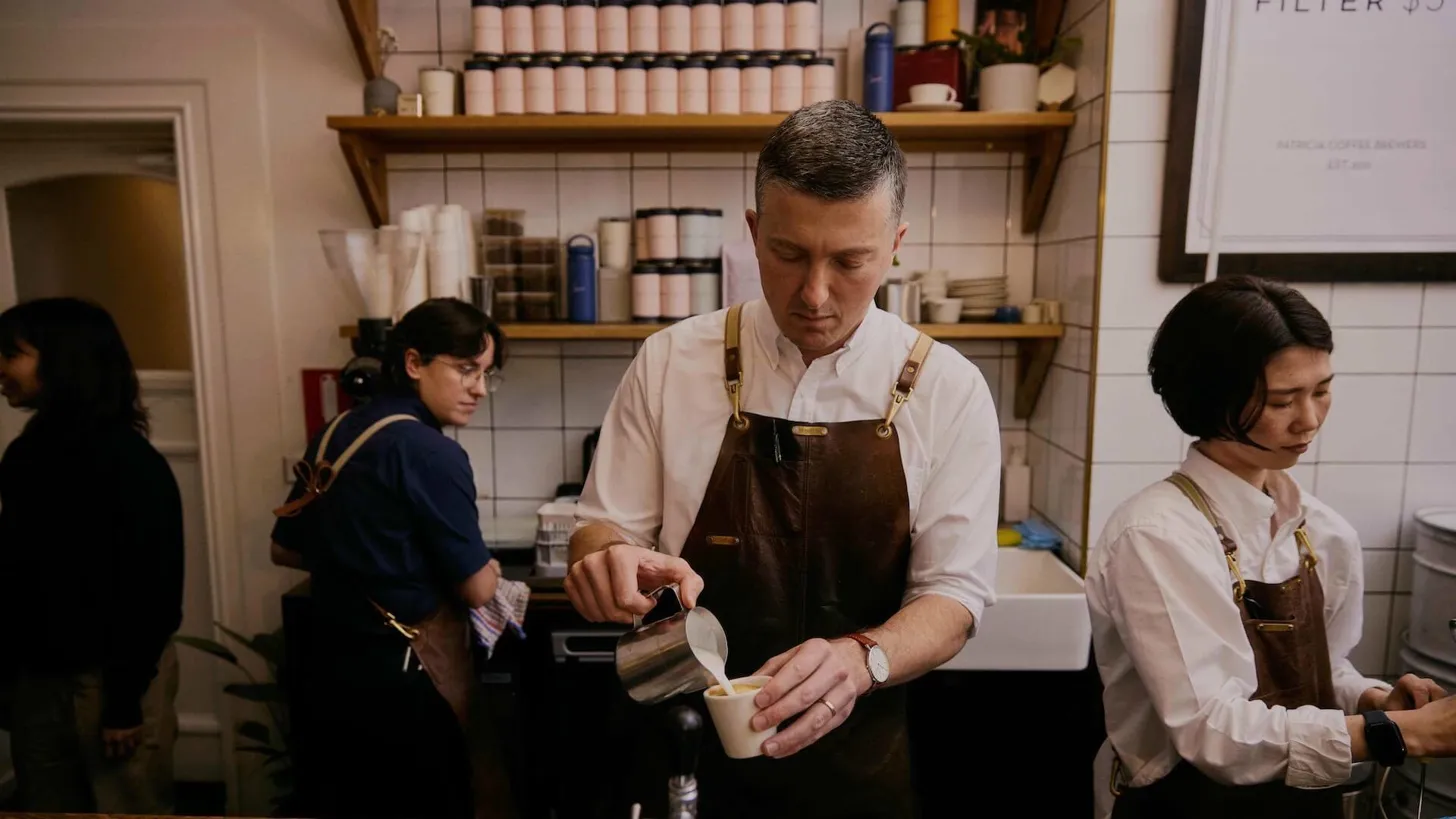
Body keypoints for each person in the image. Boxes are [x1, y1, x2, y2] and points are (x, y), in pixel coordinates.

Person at [566, 100, 1002, 818]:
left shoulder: (947, 388)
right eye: (789, 253)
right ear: (753, 231)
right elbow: (601, 528)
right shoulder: (672, 360)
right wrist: (603, 562)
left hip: (862, 764)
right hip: (687, 754)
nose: (815, 294)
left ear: (895, 244)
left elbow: (953, 600)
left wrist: (862, 658)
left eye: (851, 260)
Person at [1086, 275, 1456, 819]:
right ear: (1211, 399)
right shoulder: (1156, 537)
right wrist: (1394, 734)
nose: (1309, 420)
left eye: (1322, 390)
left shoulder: (1321, 531)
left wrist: (1370, 701)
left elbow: (1326, 669)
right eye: (1283, 400)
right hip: (1183, 804)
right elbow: (1213, 732)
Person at [270, 297, 516, 819]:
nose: (478, 388)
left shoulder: (338, 431)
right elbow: (476, 589)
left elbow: (285, 546)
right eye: (466, 369)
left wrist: (366, 555)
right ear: (412, 363)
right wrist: (490, 570)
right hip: (407, 680)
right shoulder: (431, 453)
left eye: (485, 375)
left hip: (328, 667)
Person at [0, 297, 184, 814]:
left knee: (125, 805)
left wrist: (123, 702)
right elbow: (18, 573)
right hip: (40, 680)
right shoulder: (25, 455)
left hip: (108, 682)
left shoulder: (128, 462)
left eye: (11, 353)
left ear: (64, 359)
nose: (1, 369)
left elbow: (151, 590)